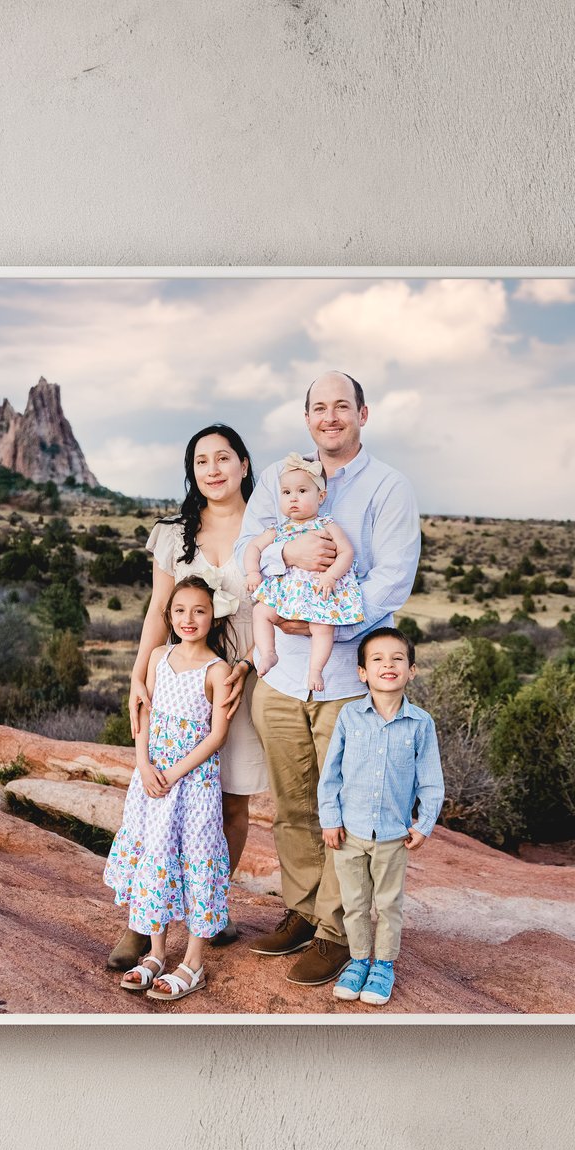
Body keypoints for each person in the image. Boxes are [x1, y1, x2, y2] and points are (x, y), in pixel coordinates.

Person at [235, 373, 421, 989]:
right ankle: (302, 907)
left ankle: (338, 932)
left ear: (362, 413)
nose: (331, 416)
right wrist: (287, 558)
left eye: (343, 406)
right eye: (320, 407)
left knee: (344, 809)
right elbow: (250, 546)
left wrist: (323, 622)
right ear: (307, 416)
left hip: (347, 679)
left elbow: (392, 578)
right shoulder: (280, 477)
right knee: (292, 805)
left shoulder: (388, 488)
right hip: (282, 677)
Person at [109, 425, 260, 972]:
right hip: (179, 676)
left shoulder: (268, 528)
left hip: (244, 675)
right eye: (202, 460)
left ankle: (205, 916)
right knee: (156, 807)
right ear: (191, 471)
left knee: (230, 800)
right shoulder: (174, 535)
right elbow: (157, 609)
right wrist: (138, 675)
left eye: (224, 458)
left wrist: (246, 664)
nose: (214, 469)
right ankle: (142, 926)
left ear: (244, 464)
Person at [102, 575, 238, 1005]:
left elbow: (217, 735)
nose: (189, 619)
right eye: (180, 611)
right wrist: (143, 763)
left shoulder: (217, 670)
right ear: (169, 616)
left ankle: (194, 961)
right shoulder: (159, 657)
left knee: (197, 859)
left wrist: (175, 772)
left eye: (199, 610)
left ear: (213, 615)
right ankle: (158, 953)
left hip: (192, 783)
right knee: (154, 857)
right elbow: (144, 714)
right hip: (152, 780)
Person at [317, 626, 443, 1009]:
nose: (387, 665)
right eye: (377, 659)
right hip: (350, 831)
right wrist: (330, 819)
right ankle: (358, 961)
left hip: (392, 834)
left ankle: (384, 965)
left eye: (397, 659)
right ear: (362, 673)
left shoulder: (421, 723)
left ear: (412, 670)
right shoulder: (349, 716)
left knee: (388, 904)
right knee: (355, 903)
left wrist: (424, 824)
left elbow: (431, 780)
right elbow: (331, 774)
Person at [249, 456, 362, 688]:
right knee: (261, 611)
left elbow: (346, 552)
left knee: (323, 627)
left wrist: (331, 576)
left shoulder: (326, 524)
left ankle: (315, 670)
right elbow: (252, 547)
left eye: (302, 491)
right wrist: (252, 572)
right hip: (285, 594)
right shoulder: (278, 529)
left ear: (321, 497)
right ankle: (268, 652)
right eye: (286, 492)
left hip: (317, 590)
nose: (293, 498)